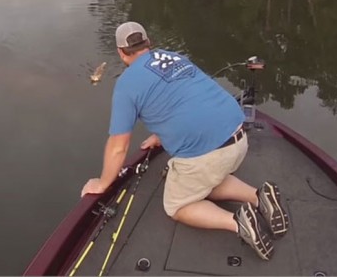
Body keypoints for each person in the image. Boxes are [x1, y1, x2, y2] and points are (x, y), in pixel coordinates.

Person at [81, 21, 289, 261]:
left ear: (120, 52)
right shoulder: (173, 57)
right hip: (238, 134)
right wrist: (161, 134)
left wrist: (103, 182)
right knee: (204, 176)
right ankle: (258, 196)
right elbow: (186, 97)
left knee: (177, 207)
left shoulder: (126, 86)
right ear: (148, 43)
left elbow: (119, 146)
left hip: (208, 154)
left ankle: (237, 222)